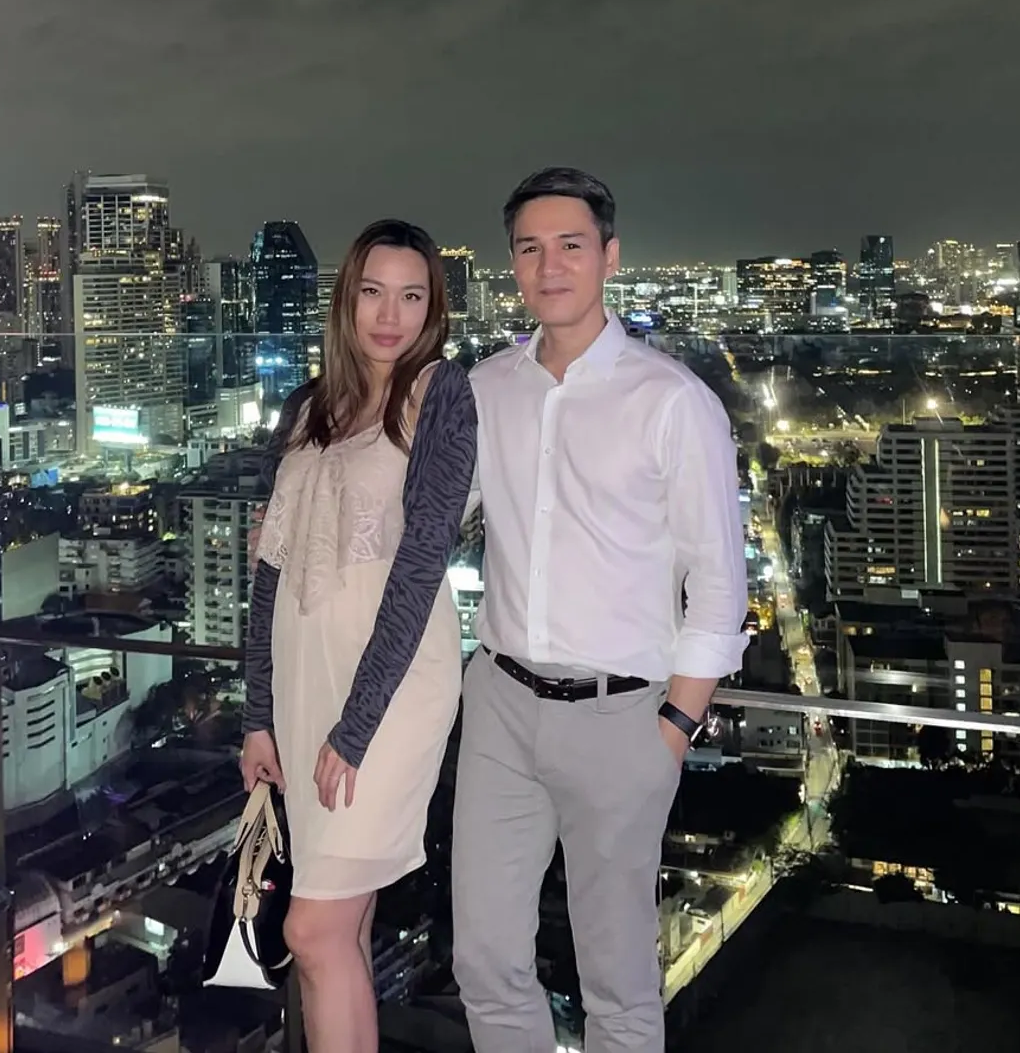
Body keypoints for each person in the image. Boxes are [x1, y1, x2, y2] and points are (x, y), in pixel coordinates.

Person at [452, 167, 749, 1053]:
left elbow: (719, 580)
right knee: (484, 959)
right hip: (500, 704)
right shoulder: (486, 388)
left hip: (623, 716)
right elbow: (425, 516)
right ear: (512, 265)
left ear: (610, 257)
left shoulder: (672, 400)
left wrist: (675, 727)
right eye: (530, 249)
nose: (550, 266)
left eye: (571, 245)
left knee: (617, 981)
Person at [241, 219, 477, 1053]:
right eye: (373, 292)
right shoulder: (309, 406)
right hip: (306, 680)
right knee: (343, 920)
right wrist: (258, 716)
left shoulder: (440, 394)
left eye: (412, 297)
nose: (390, 315)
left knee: (311, 930)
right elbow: (270, 572)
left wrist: (357, 724)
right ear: (346, 300)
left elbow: (420, 564)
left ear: (433, 309)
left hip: (392, 686)